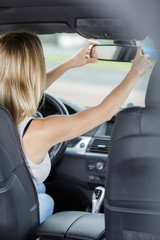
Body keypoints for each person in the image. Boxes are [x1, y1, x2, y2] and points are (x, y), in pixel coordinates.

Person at [0, 31, 152, 222]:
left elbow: (25, 87)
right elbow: (103, 113)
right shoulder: (39, 130)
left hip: (4, 200)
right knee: (45, 198)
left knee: (40, 188)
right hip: (13, 219)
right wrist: (135, 72)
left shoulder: (4, 113)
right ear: (35, 70)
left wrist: (70, 62)